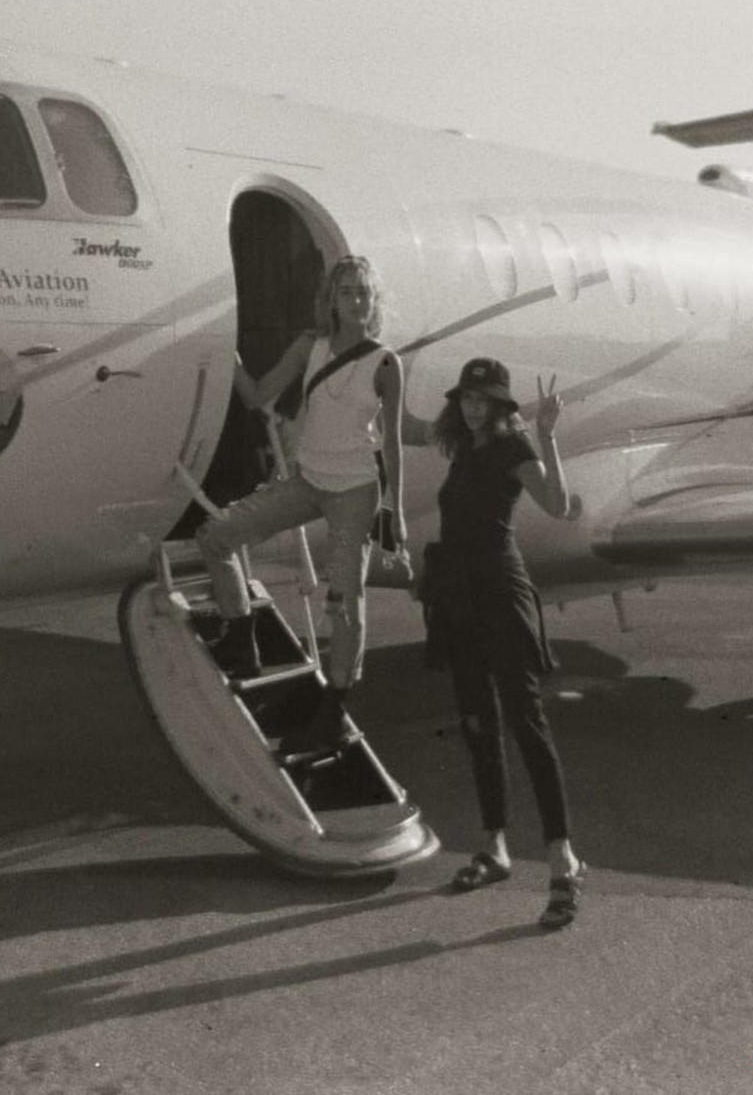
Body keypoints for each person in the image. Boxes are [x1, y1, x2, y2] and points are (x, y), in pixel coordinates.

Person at [196, 255, 406, 736]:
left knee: (344, 601)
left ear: (374, 301)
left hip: (355, 492)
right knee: (217, 536)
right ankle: (241, 640)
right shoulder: (310, 347)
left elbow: (391, 443)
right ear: (331, 300)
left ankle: (334, 705)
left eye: (364, 292)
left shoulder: (384, 362)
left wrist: (395, 510)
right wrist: (225, 350)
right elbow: (257, 395)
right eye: (347, 292)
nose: (356, 301)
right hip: (308, 482)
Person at [420, 357, 586, 930]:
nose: (472, 407)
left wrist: (548, 436)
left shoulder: (514, 448)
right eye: (466, 398)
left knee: (526, 723)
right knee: (477, 723)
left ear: (500, 405)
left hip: (500, 591)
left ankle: (563, 862)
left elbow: (558, 506)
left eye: (482, 399)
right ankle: (495, 848)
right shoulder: (464, 449)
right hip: (459, 598)